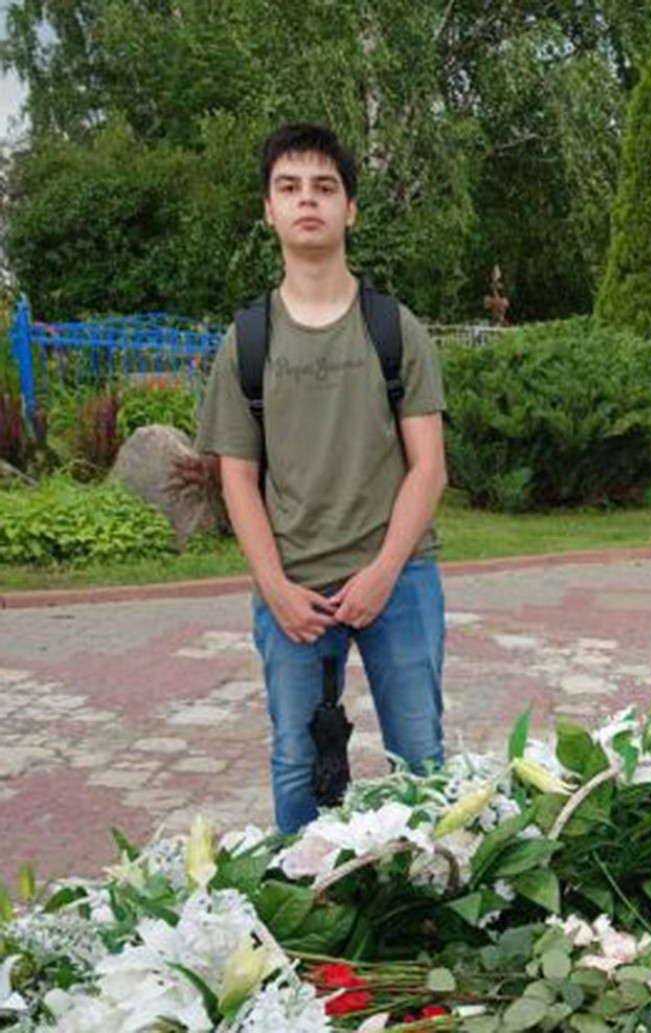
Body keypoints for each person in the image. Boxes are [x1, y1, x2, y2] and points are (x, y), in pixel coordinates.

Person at [196, 123, 449, 834]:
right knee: (298, 767)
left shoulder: (394, 328)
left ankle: (426, 909)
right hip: (293, 594)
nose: (308, 200)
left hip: (400, 581)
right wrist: (275, 588)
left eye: (325, 187)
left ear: (350, 210)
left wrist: (382, 572)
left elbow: (428, 468)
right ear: (269, 209)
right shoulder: (247, 341)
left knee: (421, 760)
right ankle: (311, 920)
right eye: (289, 187)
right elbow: (236, 480)